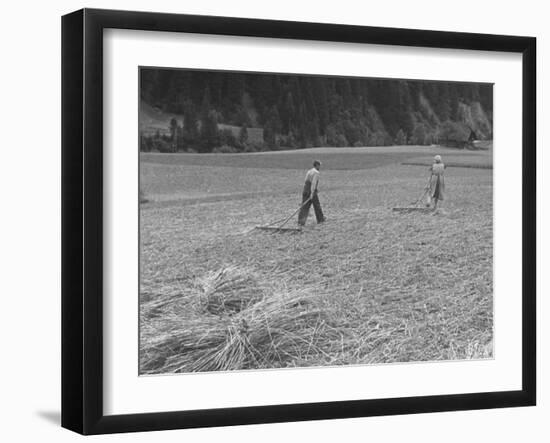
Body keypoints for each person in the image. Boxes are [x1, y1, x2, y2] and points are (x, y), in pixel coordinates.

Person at [297, 160, 325, 226]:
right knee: (317, 205)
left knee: (304, 206)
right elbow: (313, 183)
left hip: (305, 190)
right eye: (319, 165)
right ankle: (320, 219)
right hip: (311, 191)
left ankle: (301, 221)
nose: (320, 167)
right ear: (317, 165)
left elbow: (306, 181)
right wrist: (312, 193)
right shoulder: (316, 173)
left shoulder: (309, 171)